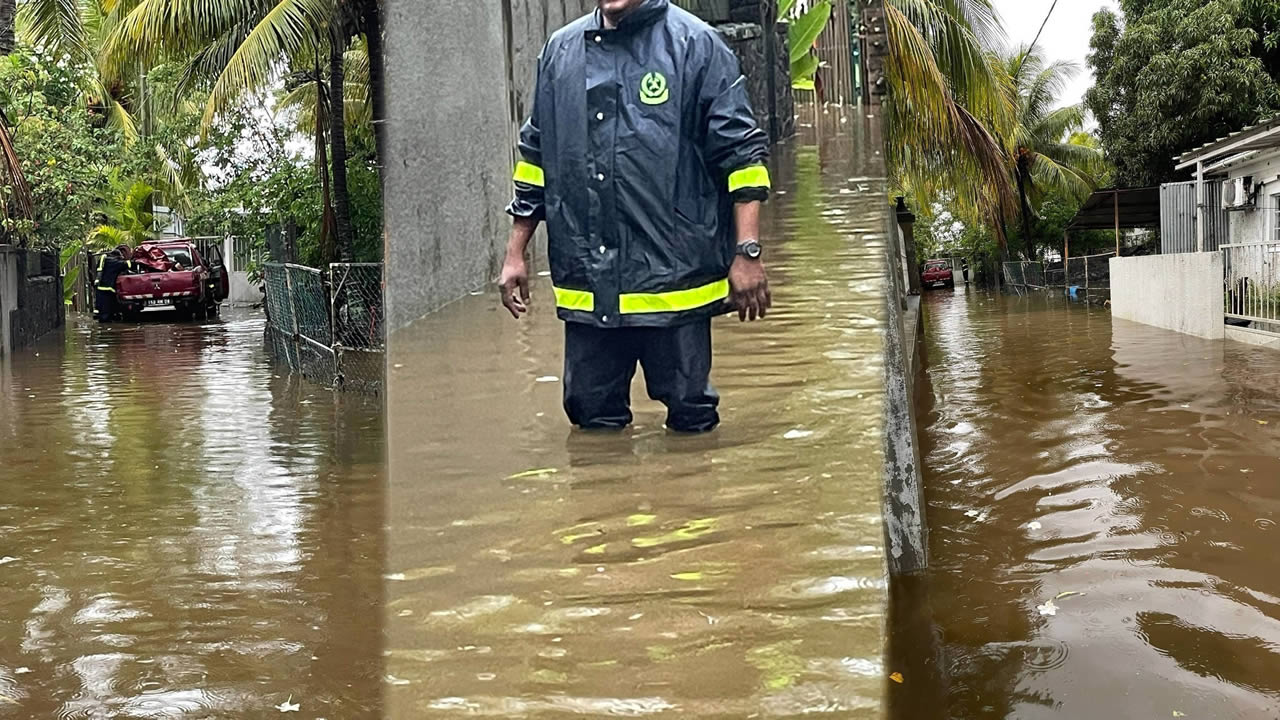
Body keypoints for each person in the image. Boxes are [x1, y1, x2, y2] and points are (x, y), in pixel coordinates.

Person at [499, 0, 772, 434]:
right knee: (591, 422)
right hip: (587, 290)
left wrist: (748, 251)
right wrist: (515, 251)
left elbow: (741, 157)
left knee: (692, 419)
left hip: (676, 288)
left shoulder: (696, 45)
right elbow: (536, 157)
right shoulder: (560, 52)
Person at [93, 245, 133, 323]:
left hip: (101, 288)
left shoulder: (104, 260)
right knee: (106, 313)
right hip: (108, 289)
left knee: (103, 310)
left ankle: (104, 325)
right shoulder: (114, 263)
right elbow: (128, 264)